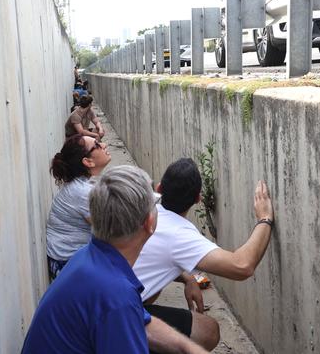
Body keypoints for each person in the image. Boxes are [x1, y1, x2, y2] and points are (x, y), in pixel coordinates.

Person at [22, 165, 208, 354]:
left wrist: (186, 347)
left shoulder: (91, 256)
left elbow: (141, 321)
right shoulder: (116, 295)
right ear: (149, 223)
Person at [133, 158, 275, 351]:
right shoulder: (179, 235)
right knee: (207, 330)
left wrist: (188, 279)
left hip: (102, 301)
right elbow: (242, 266)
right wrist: (264, 218)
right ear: (198, 199)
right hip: (118, 316)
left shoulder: (142, 200)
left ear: (159, 188)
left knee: (153, 291)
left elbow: (157, 252)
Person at [46, 134, 111, 280]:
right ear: (88, 162)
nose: (104, 145)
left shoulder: (82, 185)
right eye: (97, 145)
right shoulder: (83, 192)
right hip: (66, 265)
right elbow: (111, 230)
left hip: (72, 259)